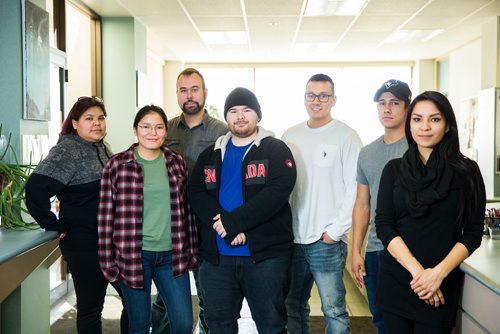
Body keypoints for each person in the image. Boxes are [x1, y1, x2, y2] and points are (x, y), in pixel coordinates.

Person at [375, 91, 486, 334]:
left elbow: (473, 233)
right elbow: (384, 225)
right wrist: (420, 274)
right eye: (417, 119)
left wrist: (436, 275)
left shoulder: (467, 171)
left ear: (447, 126)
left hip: (441, 282)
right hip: (399, 280)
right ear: (409, 124)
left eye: (434, 119)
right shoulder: (393, 169)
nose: (424, 127)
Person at [188, 87, 296, 333]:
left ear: (258, 115)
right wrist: (225, 227)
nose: (240, 116)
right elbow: (196, 193)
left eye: (247, 110)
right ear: (226, 117)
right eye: (233, 111)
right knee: (218, 326)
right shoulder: (211, 154)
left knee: (271, 326)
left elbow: (276, 194)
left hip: (265, 259)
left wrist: (233, 223)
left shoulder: (276, 150)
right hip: (217, 261)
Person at [25, 96, 127, 334]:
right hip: (84, 244)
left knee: (134, 301)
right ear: (74, 123)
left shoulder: (102, 147)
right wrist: (54, 224)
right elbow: (35, 189)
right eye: (89, 118)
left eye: (101, 118)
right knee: (91, 308)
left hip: (113, 242)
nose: (97, 124)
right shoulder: (67, 150)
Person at [97, 105, 198, 334]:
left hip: (172, 256)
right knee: (140, 327)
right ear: (136, 130)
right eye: (146, 126)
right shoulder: (117, 165)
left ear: (165, 131)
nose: (152, 132)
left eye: (159, 127)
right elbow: (105, 217)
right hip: (134, 256)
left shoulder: (176, 163)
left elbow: (186, 209)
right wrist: (108, 262)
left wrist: (191, 250)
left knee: (182, 324)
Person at [282, 73, 362, 334]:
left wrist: (334, 233)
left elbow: (356, 189)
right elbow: (282, 187)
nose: (317, 101)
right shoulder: (289, 136)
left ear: (334, 99)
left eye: (323, 95)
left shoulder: (346, 136)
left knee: (334, 310)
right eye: (311, 95)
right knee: (293, 305)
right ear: (304, 98)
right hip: (293, 239)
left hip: (325, 241)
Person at [152, 67, 227, 334]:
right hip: (171, 225)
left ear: (205, 92)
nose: (189, 95)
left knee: (209, 293)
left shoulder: (223, 131)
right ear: (177, 95)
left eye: (195, 89)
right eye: (183, 90)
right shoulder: (165, 129)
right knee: (165, 297)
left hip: (207, 224)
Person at [351, 79, 411, 334]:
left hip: (412, 251)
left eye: (395, 103)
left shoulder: (418, 147)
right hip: (376, 251)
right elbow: (363, 205)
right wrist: (356, 250)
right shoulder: (367, 153)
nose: (387, 109)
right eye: (382, 103)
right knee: (381, 321)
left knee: (408, 322)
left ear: (408, 107)